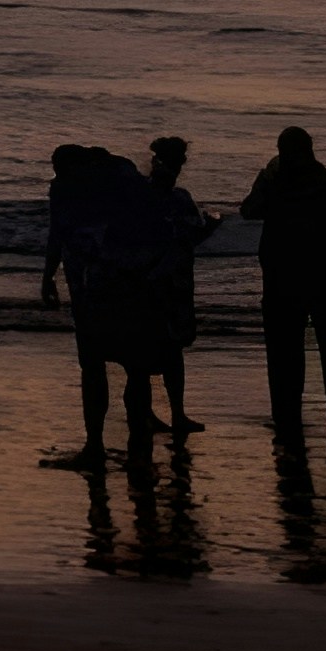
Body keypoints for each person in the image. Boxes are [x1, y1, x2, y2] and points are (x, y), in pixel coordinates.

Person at [241, 125, 326, 439]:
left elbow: (248, 210)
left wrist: (266, 173)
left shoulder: (273, 183)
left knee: (284, 355)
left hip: (282, 279)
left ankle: (286, 419)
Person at [40, 144, 157, 466]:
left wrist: (48, 275)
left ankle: (95, 446)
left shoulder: (66, 187)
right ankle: (139, 448)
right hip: (131, 283)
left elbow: (57, 233)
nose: (55, 173)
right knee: (135, 368)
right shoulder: (124, 179)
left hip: (90, 290)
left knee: (93, 367)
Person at [135, 136, 220, 435]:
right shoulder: (172, 197)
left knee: (155, 349)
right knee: (164, 350)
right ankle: (169, 414)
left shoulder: (152, 194)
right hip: (163, 281)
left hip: (159, 280)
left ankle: (157, 414)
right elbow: (188, 238)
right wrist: (210, 228)